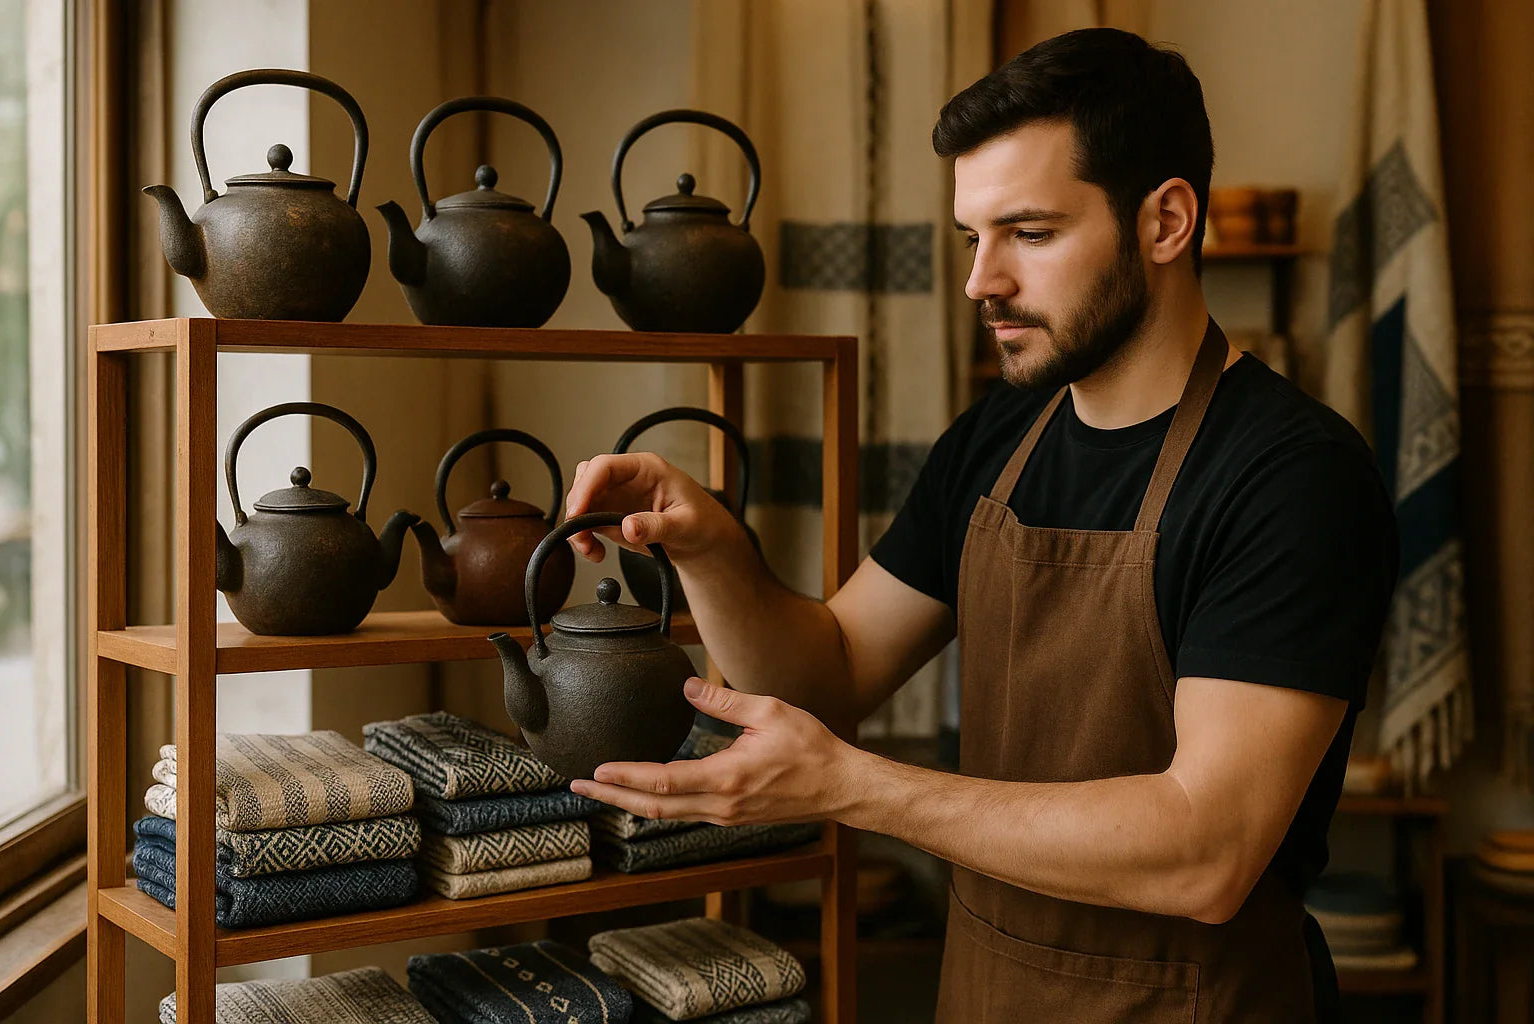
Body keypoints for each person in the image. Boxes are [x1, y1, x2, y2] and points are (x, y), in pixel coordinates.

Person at [563, 27, 1397, 1023]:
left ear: (1166, 220)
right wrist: (709, 545)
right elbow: (824, 674)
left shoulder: (1290, 475)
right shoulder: (999, 438)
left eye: (1030, 233)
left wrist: (854, 787)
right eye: (973, 237)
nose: (979, 282)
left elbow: (1204, 850)